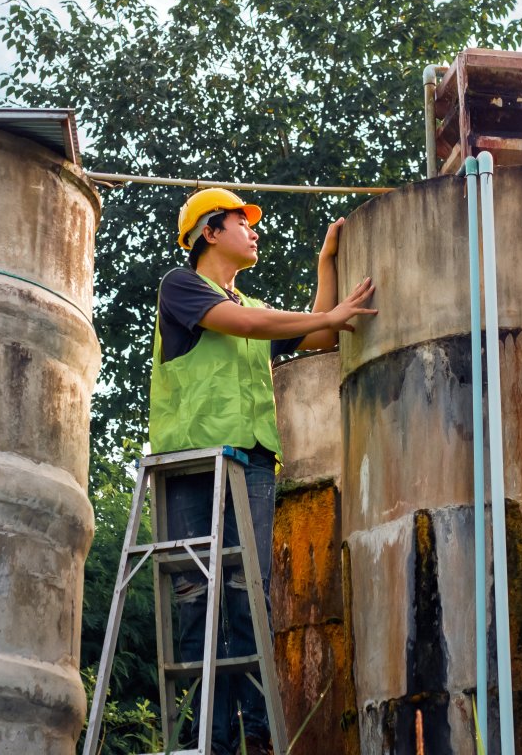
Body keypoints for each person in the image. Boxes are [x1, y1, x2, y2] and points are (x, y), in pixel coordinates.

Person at [149, 187, 377, 755]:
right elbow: (252, 326)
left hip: (250, 460)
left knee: (249, 598)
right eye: (240, 222)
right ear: (209, 231)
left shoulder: (251, 306)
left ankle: (256, 733)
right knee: (197, 603)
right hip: (196, 462)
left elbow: (320, 334)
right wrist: (327, 312)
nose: (253, 231)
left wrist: (326, 266)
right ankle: (210, 739)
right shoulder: (181, 288)